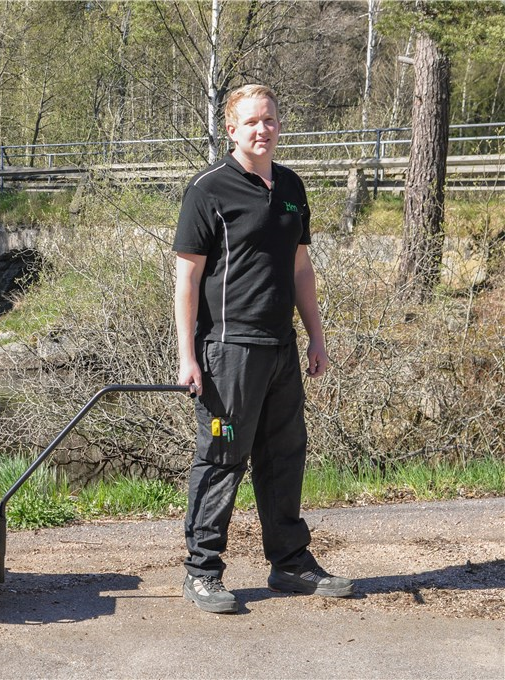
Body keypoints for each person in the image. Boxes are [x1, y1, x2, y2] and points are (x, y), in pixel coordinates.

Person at [172, 84, 354, 614]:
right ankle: (202, 571)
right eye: (251, 122)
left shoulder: (292, 186)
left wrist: (316, 337)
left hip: (281, 349)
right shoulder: (208, 189)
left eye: (269, 120)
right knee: (221, 457)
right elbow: (186, 279)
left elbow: (301, 269)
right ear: (231, 129)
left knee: (283, 457)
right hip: (228, 351)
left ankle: (290, 564)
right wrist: (188, 357)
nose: (262, 130)